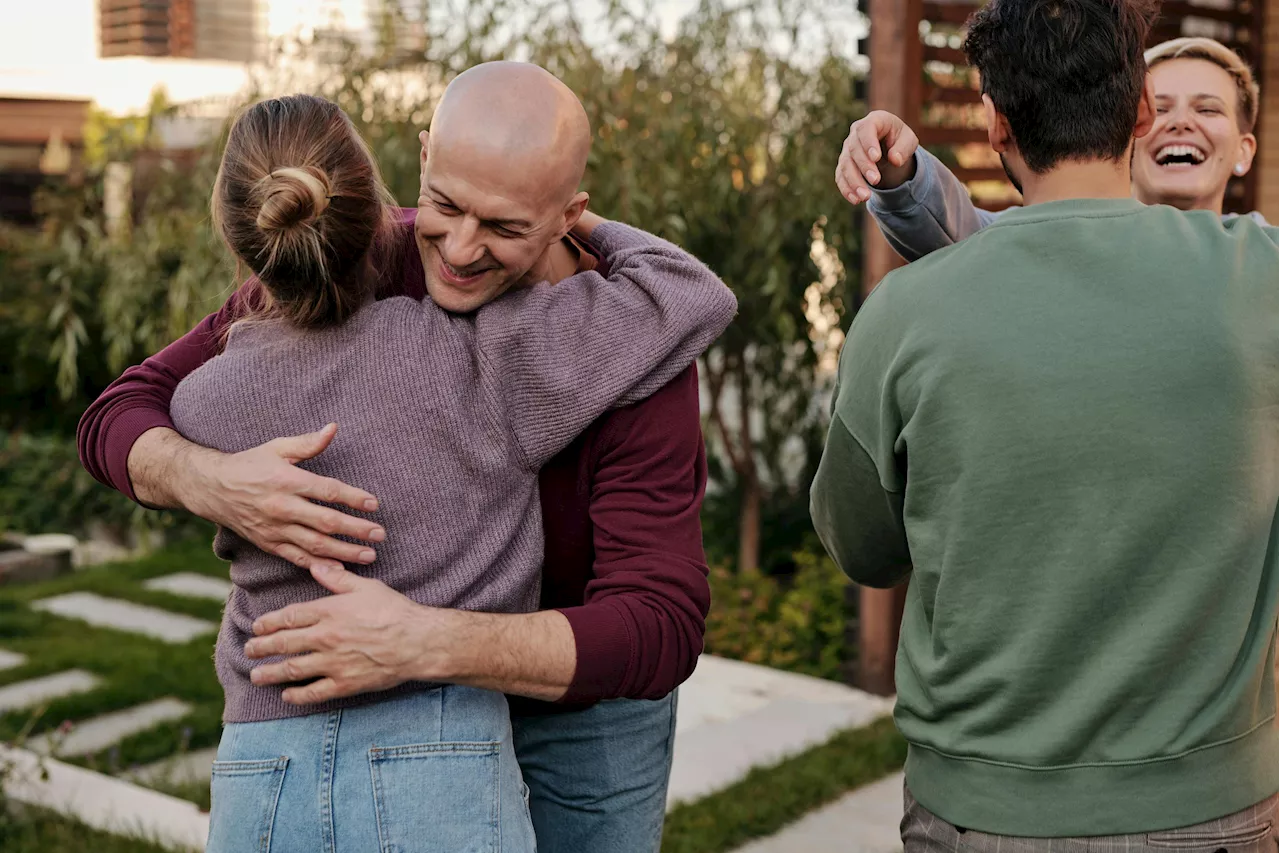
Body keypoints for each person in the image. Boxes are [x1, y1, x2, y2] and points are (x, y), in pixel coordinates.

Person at [77, 63, 728, 853]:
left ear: (569, 215)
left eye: (504, 226)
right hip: (379, 705)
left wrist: (422, 639)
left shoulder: (634, 340)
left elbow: (659, 627)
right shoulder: (346, 253)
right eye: (445, 205)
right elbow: (118, 414)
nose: (457, 248)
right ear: (422, 157)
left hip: (581, 704)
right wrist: (214, 481)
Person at [810, 0, 1279, 848]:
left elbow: (862, 547)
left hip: (981, 812)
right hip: (1212, 809)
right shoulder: (1266, 281)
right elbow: (963, 226)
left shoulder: (904, 314)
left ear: (993, 123)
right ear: (1138, 116)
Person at [835, 36, 1266, 260]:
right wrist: (898, 166)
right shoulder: (1063, 237)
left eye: (1207, 110)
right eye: (1164, 107)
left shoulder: (1265, 260)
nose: (1182, 122)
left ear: (1245, 150)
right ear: (1137, 123)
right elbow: (962, 229)